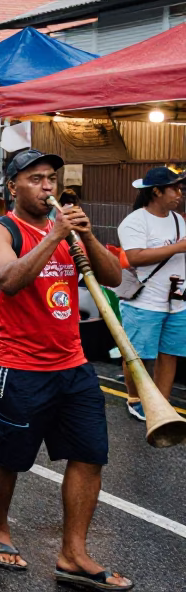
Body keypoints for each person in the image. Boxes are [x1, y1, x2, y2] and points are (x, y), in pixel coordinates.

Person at [0, 149, 130, 592]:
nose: (48, 187)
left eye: (52, 179)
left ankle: (73, 553)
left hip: (74, 364)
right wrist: (53, 235)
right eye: (37, 179)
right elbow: (9, 279)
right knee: (9, 458)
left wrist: (86, 236)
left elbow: (114, 277)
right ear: (11, 187)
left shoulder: (66, 232)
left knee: (89, 456)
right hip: (19, 367)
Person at [116, 167, 186, 422]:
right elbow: (135, 257)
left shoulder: (178, 219)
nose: (179, 194)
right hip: (144, 301)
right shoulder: (135, 221)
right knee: (138, 355)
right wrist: (179, 247)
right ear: (156, 191)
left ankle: (161, 403)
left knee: (169, 353)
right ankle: (136, 400)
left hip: (177, 301)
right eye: (174, 188)